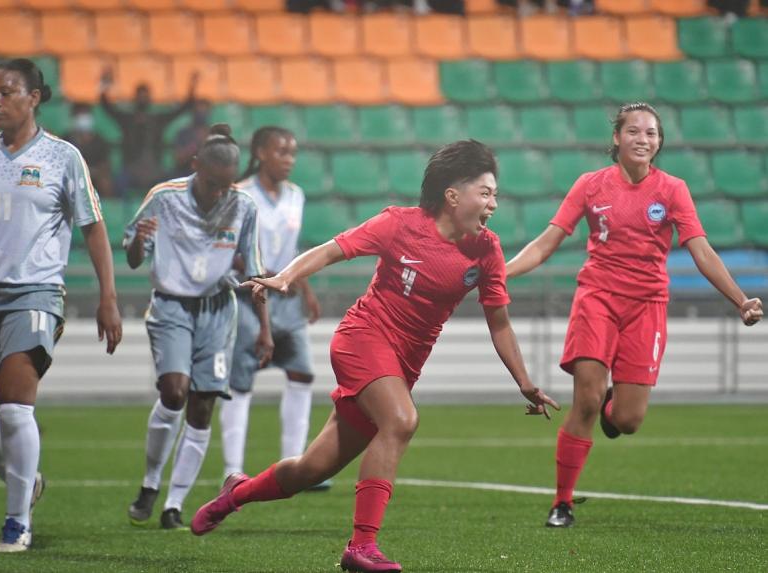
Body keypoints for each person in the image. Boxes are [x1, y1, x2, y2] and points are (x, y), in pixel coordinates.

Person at [192, 139, 560, 572]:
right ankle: (361, 547)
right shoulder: (398, 224)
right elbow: (332, 249)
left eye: (495, 194)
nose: (493, 203)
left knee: (309, 470)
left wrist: (524, 381)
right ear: (453, 195)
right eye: (486, 192)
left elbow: (499, 322)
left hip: (402, 366)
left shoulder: (487, 251)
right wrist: (286, 277)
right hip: (361, 339)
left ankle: (236, 493)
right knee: (402, 420)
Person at [504, 102, 764, 529]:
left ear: (659, 142)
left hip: (647, 307)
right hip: (597, 299)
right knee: (585, 398)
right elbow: (547, 242)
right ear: (616, 138)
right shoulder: (590, 185)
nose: (643, 139)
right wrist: (503, 271)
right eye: (635, 131)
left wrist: (740, 299)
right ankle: (562, 502)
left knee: (628, 420)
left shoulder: (672, 190)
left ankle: (613, 408)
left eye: (652, 133)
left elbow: (700, 249)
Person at [0, 58, 123, 552]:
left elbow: (94, 228)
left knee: (13, 406)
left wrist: (108, 299)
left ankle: (17, 521)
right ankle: (28, 481)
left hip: (34, 295)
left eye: (7, 92)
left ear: (34, 97)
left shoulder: (64, 157)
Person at [124, 123, 274, 530]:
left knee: (203, 406)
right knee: (174, 391)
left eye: (227, 185)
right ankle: (151, 482)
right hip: (171, 306)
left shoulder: (244, 206)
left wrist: (265, 328)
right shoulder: (163, 197)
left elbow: (255, 273)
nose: (219, 193)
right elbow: (135, 257)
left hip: (218, 311)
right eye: (212, 184)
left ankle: (174, 503)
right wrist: (140, 239)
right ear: (195, 166)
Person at [219, 126, 325, 487]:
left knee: (302, 373)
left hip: (286, 296)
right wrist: (256, 272)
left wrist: (306, 289)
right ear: (261, 153)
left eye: (293, 153)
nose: (289, 160)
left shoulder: (296, 195)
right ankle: (232, 470)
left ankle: (295, 466)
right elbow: (227, 247)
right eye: (282, 152)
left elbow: (293, 250)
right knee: (240, 380)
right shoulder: (239, 195)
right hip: (247, 297)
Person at [100, 70, 197, 196]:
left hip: (155, 170)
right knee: (118, 184)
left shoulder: (157, 120)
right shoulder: (127, 119)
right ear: (135, 98)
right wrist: (105, 84)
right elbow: (107, 107)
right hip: (131, 169)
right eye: (140, 96)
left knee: (172, 187)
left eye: (145, 96)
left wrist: (192, 87)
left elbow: (183, 108)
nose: (142, 99)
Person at [64, 103, 113, 198]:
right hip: (72, 176)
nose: (83, 119)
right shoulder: (66, 140)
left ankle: (106, 209)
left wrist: (93, 172)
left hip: (94, 176)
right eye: (80, 115)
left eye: (86, 115)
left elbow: (105, 166)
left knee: (105, 182)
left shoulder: (100, 141)